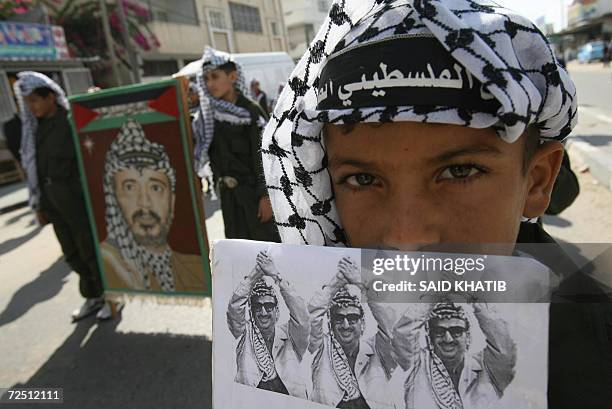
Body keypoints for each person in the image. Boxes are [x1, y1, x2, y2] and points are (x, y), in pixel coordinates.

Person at [260, 1, 611, 408]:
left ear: (536, 181)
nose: (406, 240)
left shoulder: (596, 348)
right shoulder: (322, 339)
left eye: (460, 172)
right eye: (363, 179)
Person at [13, 71, 106, 321]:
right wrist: (39, 207)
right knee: (71, 253)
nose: (31, 107)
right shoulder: (36, 130)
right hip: (52, 200)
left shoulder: (71, 122)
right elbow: (36, 169)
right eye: (28, 102)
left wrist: (95, 102)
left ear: (50, 97)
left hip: (75, 198)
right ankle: (92, 295)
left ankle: (109, 296)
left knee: (89, 250)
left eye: (35, 100)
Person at [100, 118, 205, 293]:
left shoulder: (195, 267)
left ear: (171, 199)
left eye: (156, 187)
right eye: (130, 187)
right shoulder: (109, 263)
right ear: (114, 198)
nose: (145, 203)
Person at [192, 47, 279, 241]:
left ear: (232, 77)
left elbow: (264, 157)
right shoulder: (207, 117)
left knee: (266, 253)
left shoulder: (251, 111)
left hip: (254, 197)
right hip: (229, 199)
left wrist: (266, 197)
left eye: (215, 77)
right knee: (238, 253)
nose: (210, 83)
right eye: (206, 79)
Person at [308, 257, 397, 409]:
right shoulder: (320, 349)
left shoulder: (378, 351)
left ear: (362, 323)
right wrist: (335, 284)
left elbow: (391, 326)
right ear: (330, 323)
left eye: (352, 318)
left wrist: (363, 284)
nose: (345, 324)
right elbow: (308, 318)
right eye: (339, 318)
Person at [393, 302, 516, 409]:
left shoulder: (487, 369)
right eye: (439, 332)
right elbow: (402, 334)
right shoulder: (417, 364)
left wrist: (474, 297)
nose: (448, 339)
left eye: (456, 331)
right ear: (430, 337)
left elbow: (504, 347)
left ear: (467, 337)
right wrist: (434, 295)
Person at [226, 250, 309, 397]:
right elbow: (234, 307)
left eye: (269, 306)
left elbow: (302, 316)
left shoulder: (290, 336)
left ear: (276, 310)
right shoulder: (243, 333)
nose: (263, 312)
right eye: (258, 306)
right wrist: (255, 274)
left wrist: (276, 275)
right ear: (251, 311)